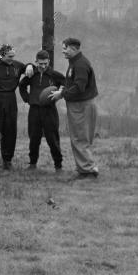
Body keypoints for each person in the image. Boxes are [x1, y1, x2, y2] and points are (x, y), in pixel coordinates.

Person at [49, 37, 99, 179]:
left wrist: (61, 94)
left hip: (81, 106)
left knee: (79, 137)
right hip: (81, 105)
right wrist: (64, 88)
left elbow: (79, 87)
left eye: (65, 48)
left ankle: (86, 171)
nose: (63, 51)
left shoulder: (80, 65)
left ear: (73, 49)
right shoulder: (75, 63)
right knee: (81, 137)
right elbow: (73, 83)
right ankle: (87, 167)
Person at [18, 50, 66, 171]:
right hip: (34, 110)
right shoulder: (31, 74)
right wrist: (27, 99)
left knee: (52, 138)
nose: (43, 66)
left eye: (45, 63)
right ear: (36, 62)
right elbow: (22, 86)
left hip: (49, 110)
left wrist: (60, 93)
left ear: (49, 61)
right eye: (40, 63)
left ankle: (58, 165)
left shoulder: (54, 74)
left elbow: (66, 83)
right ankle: (32, 164)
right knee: (34, 138)